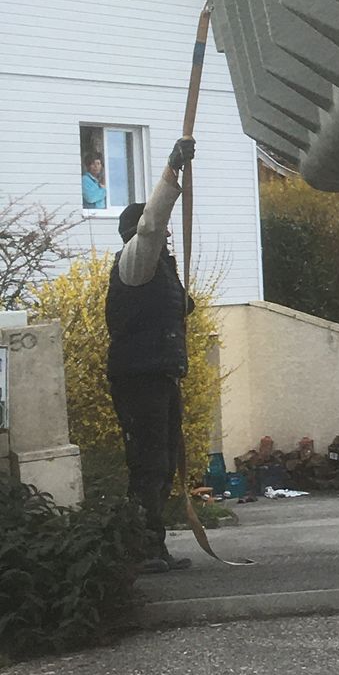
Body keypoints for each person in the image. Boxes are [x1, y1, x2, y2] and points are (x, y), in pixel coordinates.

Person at [106, 137, 196, 574]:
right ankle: (139, 549)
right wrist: (170, 173)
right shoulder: (135, 262)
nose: (165, 238)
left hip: (158, 375)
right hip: (139, 377)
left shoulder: (159, 270)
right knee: (149, 463)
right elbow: (151, 226)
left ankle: (150, 546)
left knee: (160, 463)